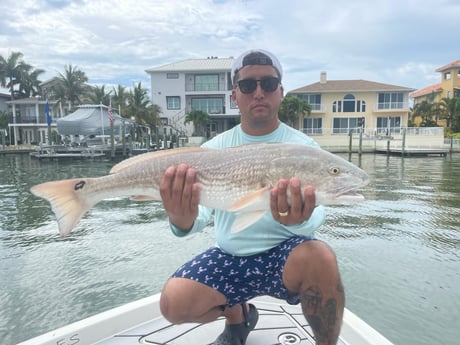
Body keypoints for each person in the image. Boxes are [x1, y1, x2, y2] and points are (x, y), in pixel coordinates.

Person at [159, 49, 344, 345]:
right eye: (248, 86)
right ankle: (239, 318)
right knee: (172, 304)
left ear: (280, 92)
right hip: (229, 256)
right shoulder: (210, 150)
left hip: (285, 256)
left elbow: (317, 215)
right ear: (235, 95)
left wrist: (299, 220)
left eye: (268, 84)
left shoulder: (304, 148)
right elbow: (200, 217)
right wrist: (181, 220)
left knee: (321, 255)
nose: (259, 92)